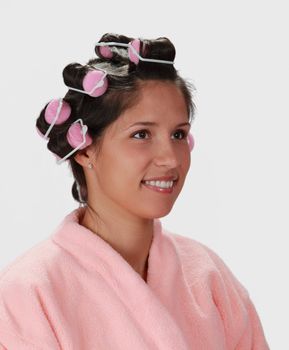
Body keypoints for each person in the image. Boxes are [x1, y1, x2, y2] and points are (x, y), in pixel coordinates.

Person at [0, 33, 269, 349]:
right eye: (141, 134)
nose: (170, 158)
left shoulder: (209, 275)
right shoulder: (27, 295)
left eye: (178, 134)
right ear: (85, 149)